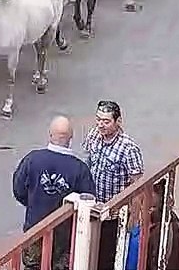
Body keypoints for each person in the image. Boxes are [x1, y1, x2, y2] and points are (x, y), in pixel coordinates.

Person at [12, 116, 95, 270]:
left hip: (35, 229)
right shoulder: (80, 169)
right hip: (65, 234)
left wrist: (34, 203)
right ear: (70, 138)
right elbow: (88, 201)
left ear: (50, 135)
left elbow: (18, 189)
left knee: (33, 266)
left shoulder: (32, 159)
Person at [85, 100, 144, 270]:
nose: (100, 125)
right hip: (93, 209)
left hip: (114, 215)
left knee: (107, 257)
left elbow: (137, 183)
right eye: (98, 120)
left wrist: (134, 214)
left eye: (106, 121)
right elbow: (88, 163)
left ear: (118, 122)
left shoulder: (128, 148)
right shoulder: (93, 136)